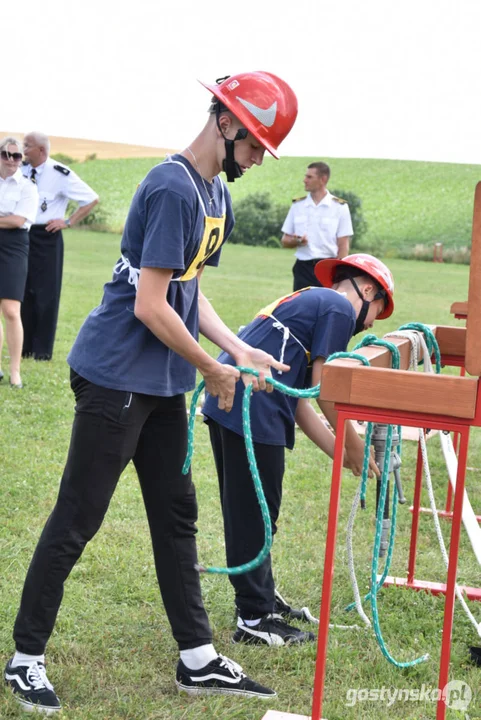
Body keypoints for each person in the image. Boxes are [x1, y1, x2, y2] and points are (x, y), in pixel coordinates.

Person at [4, 71, 298, 714]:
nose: (255, 159)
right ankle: (24, 659)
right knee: (78, 516)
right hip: (115, 377)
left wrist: (239, 349)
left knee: (176, 515)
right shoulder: (172, 186)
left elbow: (189, 291)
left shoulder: (213, 190)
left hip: (160, 382)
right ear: (225, 122)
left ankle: (196, 659)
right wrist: (212, 369)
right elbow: (149, 304)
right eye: (254, 145)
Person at [202, 253, 394, 646]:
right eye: (377, 311)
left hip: (236, 404)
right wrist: (355, 446)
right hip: (250, 407)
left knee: (254, 512)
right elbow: (326, 390)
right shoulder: (340, 308)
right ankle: (254, 619)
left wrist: (346, 455)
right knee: (255, 515)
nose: (372, 323)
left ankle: (262, 600)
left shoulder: (314, 300)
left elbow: (302, 402)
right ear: (367, 290)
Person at [20, 131, 99, 361]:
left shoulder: (59, 173)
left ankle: (42, 350)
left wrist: (68, 221)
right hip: (23, 234)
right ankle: (24, 347)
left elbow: (91, 198)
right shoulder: (21, 170)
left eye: (27, 146)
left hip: (47, 236)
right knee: (24, 291)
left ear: (41, 150)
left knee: (46, 293)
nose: (23, 149)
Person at [0, 137, 39, 388]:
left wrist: (7, 218)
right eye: (6, 154)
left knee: (11, 310)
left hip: (14, 245)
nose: (12, 160)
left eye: (17, 156)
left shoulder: (28, 187)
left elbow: (18, 220)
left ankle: (15, 371)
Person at [281, 162, 353, 291]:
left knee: (326, 308)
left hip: (328, 268)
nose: (304, 180)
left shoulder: (339, 207)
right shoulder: (298, 206)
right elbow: (285, 241)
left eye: (309, 177)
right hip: (303, 268)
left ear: (323, 179)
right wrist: (297, 240)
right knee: (302, 308)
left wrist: (340, 273)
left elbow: (343, 245)